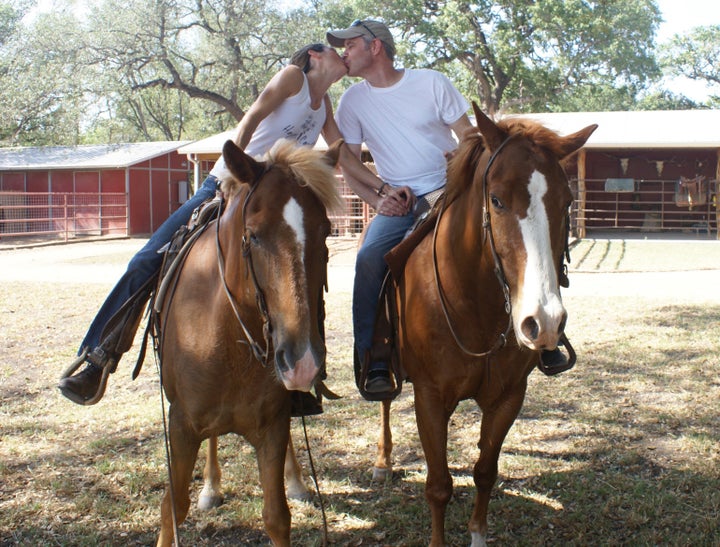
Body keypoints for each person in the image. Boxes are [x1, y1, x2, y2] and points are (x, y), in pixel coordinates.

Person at [58, 42, 388, 406]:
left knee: (305, 270)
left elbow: (343, 159)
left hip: (272, 204)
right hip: (231, 185)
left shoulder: (323, 105)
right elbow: (251, 118)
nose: (341, 52)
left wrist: (384, 188)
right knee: (146, 260)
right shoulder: (293, 78)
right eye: (331, 48)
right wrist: (229, 175)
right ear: (313, 57)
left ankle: (305, 371)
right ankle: (98, 357)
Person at [326, 20, 571, 395]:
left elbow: (468, 133)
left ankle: (546, 336)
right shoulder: (353, 101)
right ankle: (374, 357)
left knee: (511, 240)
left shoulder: (431, 82)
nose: (344, 52)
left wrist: (460, 154)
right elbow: (348, 159)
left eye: (350, 44)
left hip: (450, 190)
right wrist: (381, 195)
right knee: (369, 258)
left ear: (376, 47)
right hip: (402, 202)